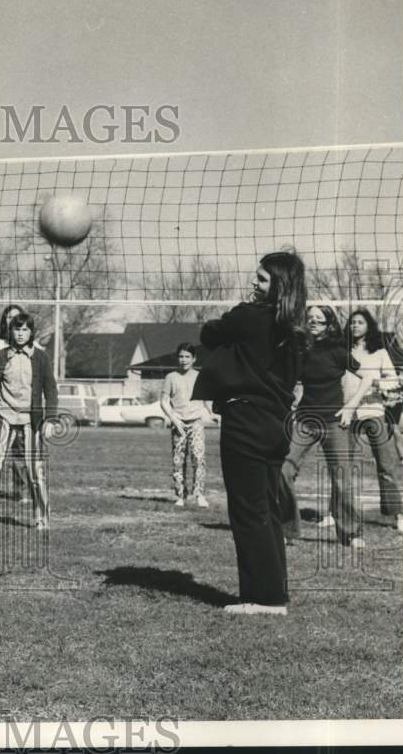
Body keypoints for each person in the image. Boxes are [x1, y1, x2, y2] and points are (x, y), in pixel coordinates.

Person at [192, 251, 307, 616]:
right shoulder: (294, 326)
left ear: (278, 285)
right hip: (276, 425)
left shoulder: (248, 317)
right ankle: (274, 594)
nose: (252, 284)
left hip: (245, 421)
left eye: (261, 280)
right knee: (267, 511)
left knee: (247, 511)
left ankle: (263, 600)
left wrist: (236, 324)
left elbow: (209, 332)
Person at [278, 306, 375, 548]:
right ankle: (288, 530)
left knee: (342, 478)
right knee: (283, 470)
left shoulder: (337, 351)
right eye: (310, 318)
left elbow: (369, 376)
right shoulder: (300, 350)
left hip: (334, 421)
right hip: (305, 421)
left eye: (319, 320)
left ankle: (350, 533)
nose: (313, 323)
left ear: (328, 324)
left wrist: (351, 406)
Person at [0, 312, 58, 532]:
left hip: (30, 420)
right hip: (3, 416)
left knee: (35, 470)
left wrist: (50, 419)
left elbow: (50, 390)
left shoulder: (41, 357)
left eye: (25, 329)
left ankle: (42, 519)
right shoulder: (1, 355)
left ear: (31, 332)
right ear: (11, 331)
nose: (21, 334)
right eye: (17, 329)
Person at [345, 308, 403, 536]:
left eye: (360, 322)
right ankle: (338, 512)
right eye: (352, 323)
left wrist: (376, 384)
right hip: (348, 414)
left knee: (386, 465)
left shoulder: (379, 352)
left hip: (373, 411)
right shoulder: (343, 351)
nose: (355, 326)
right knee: (342, 465)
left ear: (368, 326)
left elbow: (393, 381)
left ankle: (398, 514)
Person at [0, 305, 45, 502]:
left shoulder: (36, 349)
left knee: (27, 454)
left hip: (27, 410)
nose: (13, 322)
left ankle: (27, 491)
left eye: (17, 318)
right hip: (2, 408)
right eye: (9, 318)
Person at [160, 343, 213, 508]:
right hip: (178, 423)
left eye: (187, 357)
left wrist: (212, 414)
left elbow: (207, 400)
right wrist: (173, 419)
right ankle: (181, 496)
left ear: (194, 358)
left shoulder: (201, 376)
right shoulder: (171, 377)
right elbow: (163, 401)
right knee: (178, 460)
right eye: (181, 356)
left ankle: (199, 495)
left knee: (198, 458)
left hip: (196, 421)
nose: (183, 360)